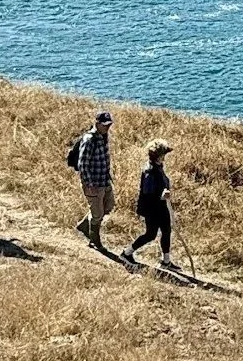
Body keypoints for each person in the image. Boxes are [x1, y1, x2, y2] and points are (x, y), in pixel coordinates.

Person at [122, 139, 177, 267]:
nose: (165, 157)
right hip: (152, 209)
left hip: (161, 207)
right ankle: (127, 253)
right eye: (164, 154)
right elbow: (148, 194)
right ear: (158, 156)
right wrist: (161, 196)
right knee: (150, 234)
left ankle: (166, 261)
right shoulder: (149, 171)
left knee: (166, 230)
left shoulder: (158, 167)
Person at [71, 110, 115, 249]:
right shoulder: (89, 139)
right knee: (97, 214)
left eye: (109, 124)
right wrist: (89, 184)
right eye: (104, 125)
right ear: (97, 123)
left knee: (108, 206)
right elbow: (83, 164)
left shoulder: (103, 136)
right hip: (93, 184)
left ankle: (85, 226)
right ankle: (94, 240)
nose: (107, 127)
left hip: (104, 181)